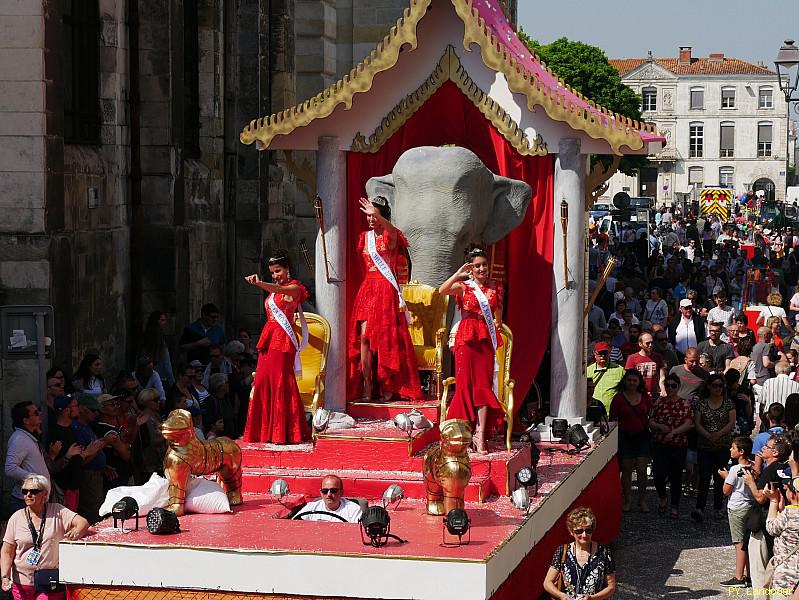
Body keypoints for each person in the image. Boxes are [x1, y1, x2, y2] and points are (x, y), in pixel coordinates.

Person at [348, 196, 422, 402]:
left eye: (375, 215)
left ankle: (389, 384)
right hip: (368, 290)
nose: (370, 218)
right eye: (368, 215)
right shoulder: (365, 237)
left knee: (385, 338)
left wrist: (378, 216)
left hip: (386, 289)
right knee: (364, 336)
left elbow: (393, 232)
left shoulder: (390, 235)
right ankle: (367, 384)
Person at [438, 249, 504, 453]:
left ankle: (480, 435)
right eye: (477, 266)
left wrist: (498, 324)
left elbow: (498, 313)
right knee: (464, 387)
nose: (482, 268)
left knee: (483, 387)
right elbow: (442, 290)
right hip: (466, 339)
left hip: (485, 340)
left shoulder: (495, 286)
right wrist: (459, 274)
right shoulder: (464, 287)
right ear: (471, 268)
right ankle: (461, 435)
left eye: (484, 264)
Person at [242, 250, 311, 444]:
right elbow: (275, 291)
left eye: (278, 271)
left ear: (288, 269)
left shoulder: (295, 289)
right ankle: (262, 432)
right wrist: (265, 285)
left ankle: (283, 433)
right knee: (262, 382)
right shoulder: (274, 291)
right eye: (272, 272)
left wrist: (261, 284)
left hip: (283, 341)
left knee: (280, 382)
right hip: (268, 339)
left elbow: (281, 291)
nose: (275, 276)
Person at [0, 474, 89, 600]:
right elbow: (7, 551)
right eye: (25, 491)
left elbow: (83, 522)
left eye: (33, 491)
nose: (28, 495)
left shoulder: (58, 511)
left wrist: (76, 531)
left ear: (45, 494)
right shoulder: (16, 517)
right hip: (22, 583)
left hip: (49, 580)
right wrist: (5, 576)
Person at [542, 507, 616, 600]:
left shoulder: (604, 552)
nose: (584, 535)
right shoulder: (562, 551)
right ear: (571, 532)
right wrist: (561, 596)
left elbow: (611, 587)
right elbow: (547, 582)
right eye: (579, 531)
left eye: (588, 531)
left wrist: (592, 598)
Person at [691, 374, 736, 523]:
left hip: (723, 445)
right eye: (715, 385)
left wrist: (718, 434)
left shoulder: (728, 403)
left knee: (719, 478)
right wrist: (708, 435)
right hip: (704, 445)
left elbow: (731, 422)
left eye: (720, 385)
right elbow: (697, 423)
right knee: (704, 477)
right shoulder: (702, 404)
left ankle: (718, 507)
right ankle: (700, 508)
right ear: (709, 386)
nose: (718, 388)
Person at [649, 373, 693, 519]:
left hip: (678, 444)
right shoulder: (659, 402)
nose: (670, 388)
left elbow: (688, 423)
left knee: (676, 476)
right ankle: (662, 496)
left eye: (673, 386)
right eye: (667, 385)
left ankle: (674, 505)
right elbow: (651, 420)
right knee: (658, 474)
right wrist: (659, 426)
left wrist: (674, 432)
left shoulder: (684, 403)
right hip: (660, 443)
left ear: (678, 387)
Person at [610, 369, 652, 512]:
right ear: (625, 381)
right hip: (625, 437)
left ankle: (642, 500)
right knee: (626, 469)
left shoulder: (645, 397)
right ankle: (627, 500)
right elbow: (612, 419)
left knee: (641, 469)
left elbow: (651, 414)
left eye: (634, 380)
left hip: (642, 436)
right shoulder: (618, 398)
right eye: (629, 380)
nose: (632, 383)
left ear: (639, 382)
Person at [718, 436, 756, 587]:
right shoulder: (753, 466)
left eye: (733, 448)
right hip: (750, 506)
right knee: (748, 541)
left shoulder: (735, 469)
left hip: (736, 507)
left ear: (741, 451)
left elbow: (726, 491)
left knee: (739, 543)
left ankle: (739, 577)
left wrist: (726, 477)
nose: (730, 449)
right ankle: (750, 575)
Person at [4, 402, 52, 514]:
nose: (40, 414)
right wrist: (35, 478)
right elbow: (10, 468)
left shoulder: (28, 437)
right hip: (25, 501)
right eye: (35, 413)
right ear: (26, 420)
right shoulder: (19, 438)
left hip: (36, 500)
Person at [764, 471, 799, 596]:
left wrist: (773, 502)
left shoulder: (788, 514)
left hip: (786, 576)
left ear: (793, 495)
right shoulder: (787, 513)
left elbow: (771, 528)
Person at [294, 475, 362, 523]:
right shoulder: (311, 507)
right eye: (325, 491)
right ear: (321, 493)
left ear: (341, 492)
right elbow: (294, 524)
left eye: (333, 491)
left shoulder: (353, 510)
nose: (329, 494)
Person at [586, 342, 625, 416]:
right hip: (593, 413)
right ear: (595, 354)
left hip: (613, 414)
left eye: (605, 353)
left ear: (609, 353)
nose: (603, 356)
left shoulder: (620, 370)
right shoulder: (587, 371)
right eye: (600, 353)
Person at [140, 310, 175, 389]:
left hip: (148, 380)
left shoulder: (146, 339)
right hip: (160, 381)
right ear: (156, 322)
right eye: (162, 320)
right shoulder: (159, 342)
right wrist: (173, 386)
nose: (165, 323)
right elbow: (167, 367)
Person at [624, 332, 666, 397]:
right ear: (640, 344)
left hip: (655, 394)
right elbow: (628, 378)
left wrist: (663, 390)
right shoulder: (632, 358)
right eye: (647, 343)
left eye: (652, 342)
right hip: (638, 394)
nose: (650, 345)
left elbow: (662, 377)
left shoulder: (658, 357)